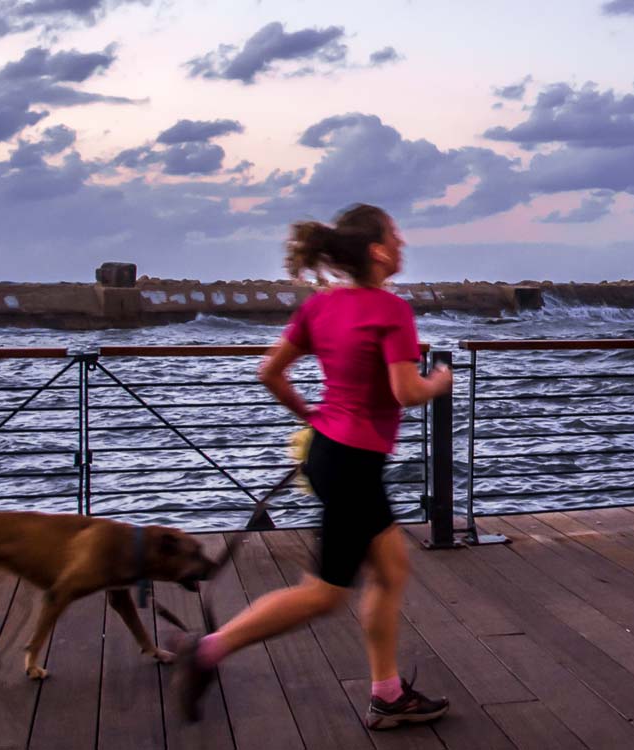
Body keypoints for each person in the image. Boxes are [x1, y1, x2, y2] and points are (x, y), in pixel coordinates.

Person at [172, 204, 454, 729]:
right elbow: (406, 390)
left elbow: (271, 372)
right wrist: (439, 380)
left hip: (330, 453)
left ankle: (388, 693)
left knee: (391, 570)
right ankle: (208, 649)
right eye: (396, 236)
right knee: (323, 593)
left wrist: (313, 415)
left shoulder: (322, 307)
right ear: (376, 251)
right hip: (352, 465)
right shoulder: (389, 310)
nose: (403, 245)